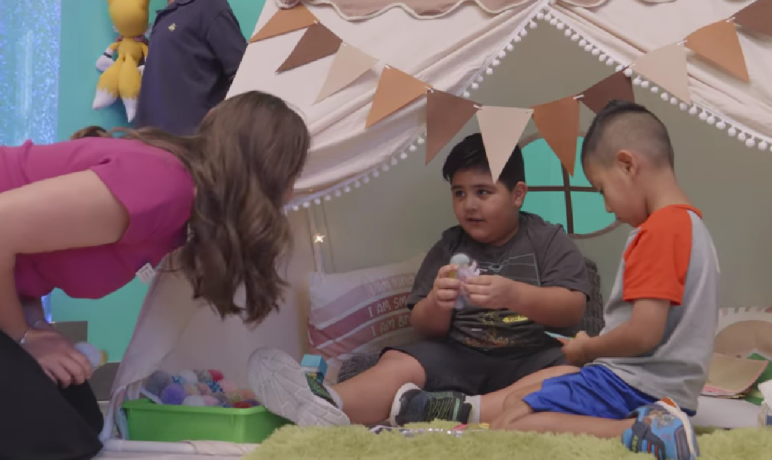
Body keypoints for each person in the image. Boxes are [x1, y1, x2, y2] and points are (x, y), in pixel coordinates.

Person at [0, 91, 310, 460]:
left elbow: (24, 259)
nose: (291, 193)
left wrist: (36, 326)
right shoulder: (163, 184)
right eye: (294, 175)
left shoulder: (178, 215)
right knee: (50, 441)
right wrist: (23, 337)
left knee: (81, 420)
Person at [249, 133, 591, 427]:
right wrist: (437, 303)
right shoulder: (450, 246)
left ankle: (459, 410)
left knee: (573, 377)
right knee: (399, 361)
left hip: (529, 357)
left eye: (483, 192)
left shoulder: (548, 240)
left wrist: (514, 294)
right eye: (459, 193)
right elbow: (426, 328)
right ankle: (329, 402)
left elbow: (572, 309)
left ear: (517, 194)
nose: (469, 205)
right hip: (459, 356)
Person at [489, 101, 719, 460]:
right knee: (516, 399)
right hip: (671, 391)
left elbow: (644, 334)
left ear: (627, 165)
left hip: (633, 385)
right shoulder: (693, 227)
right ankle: (651, 425)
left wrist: (588, 348)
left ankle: (643, 432)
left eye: (601, 189)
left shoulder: (659, 231)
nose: (608, 206)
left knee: (509, 422)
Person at [134, 0, 247, 135]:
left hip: (189, 147)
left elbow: (244, 73)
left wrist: (217, 119)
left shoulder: (208, 5)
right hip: (150, 144)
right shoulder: (164, 19)